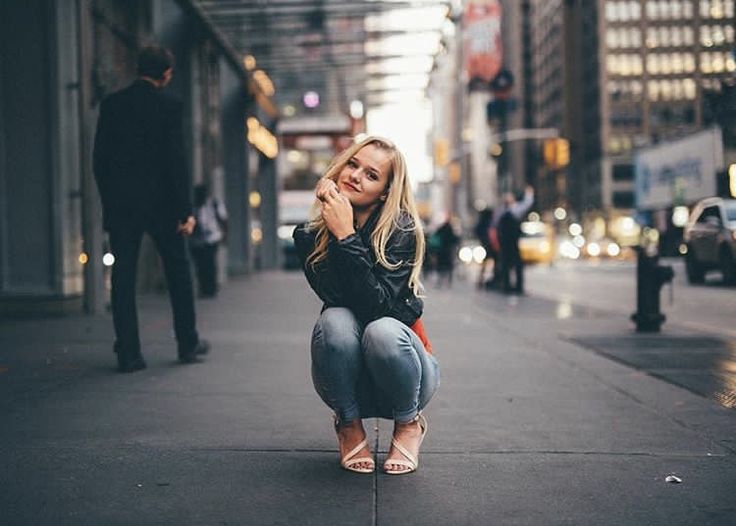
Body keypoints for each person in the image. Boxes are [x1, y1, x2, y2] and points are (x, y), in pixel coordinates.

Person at [293, 136, 440, 475]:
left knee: (383, 330)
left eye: (372, 175)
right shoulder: (309, 236)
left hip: (407, 375)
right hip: (349, 379)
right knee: (334, 321)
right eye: (353, 164)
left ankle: (408, 424)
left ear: (386, 191)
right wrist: (338, 235)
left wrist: (347, 236)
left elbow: (379, 311)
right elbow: (340, 302)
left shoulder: (402, 231)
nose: (355, 176)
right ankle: (348, 424)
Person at [93, 45, 209, 372]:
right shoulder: (169, 107)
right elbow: (176, 162)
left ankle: (129, 354)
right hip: (164, 208)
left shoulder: (112, 105)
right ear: (167, 74)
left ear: (137, 67)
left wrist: (110, 204)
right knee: (178, 273)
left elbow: (100, 161)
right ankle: (187, 343)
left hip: (123, 208)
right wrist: (185, 210)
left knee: (123, 278)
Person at [190, 183, 228, 298]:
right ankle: (203, 288)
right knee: (200, 265)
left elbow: (224, 220)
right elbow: (187, 224)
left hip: (212, 239)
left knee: (210, 264)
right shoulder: (193, 207)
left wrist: (225, 235)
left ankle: (211, 288)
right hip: (197, 240)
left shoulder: (214, 204)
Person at [496, 185, 534, 294]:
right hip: (507, 243)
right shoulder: (503, 211)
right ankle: (509, 286)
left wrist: (529, 194)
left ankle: (515, 287)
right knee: (508, 265)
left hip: (511, 243)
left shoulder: (513, 209)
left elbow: (526, 204)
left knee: (513, 265)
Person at [432, 218, 460, 288]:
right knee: (449, 267)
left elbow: (435, 235)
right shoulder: (451, 231)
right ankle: (448, 281)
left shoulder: (441, 229)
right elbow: (455, 240)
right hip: (448, 251)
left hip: (441, 251)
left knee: (440, 266)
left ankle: (439, 281)